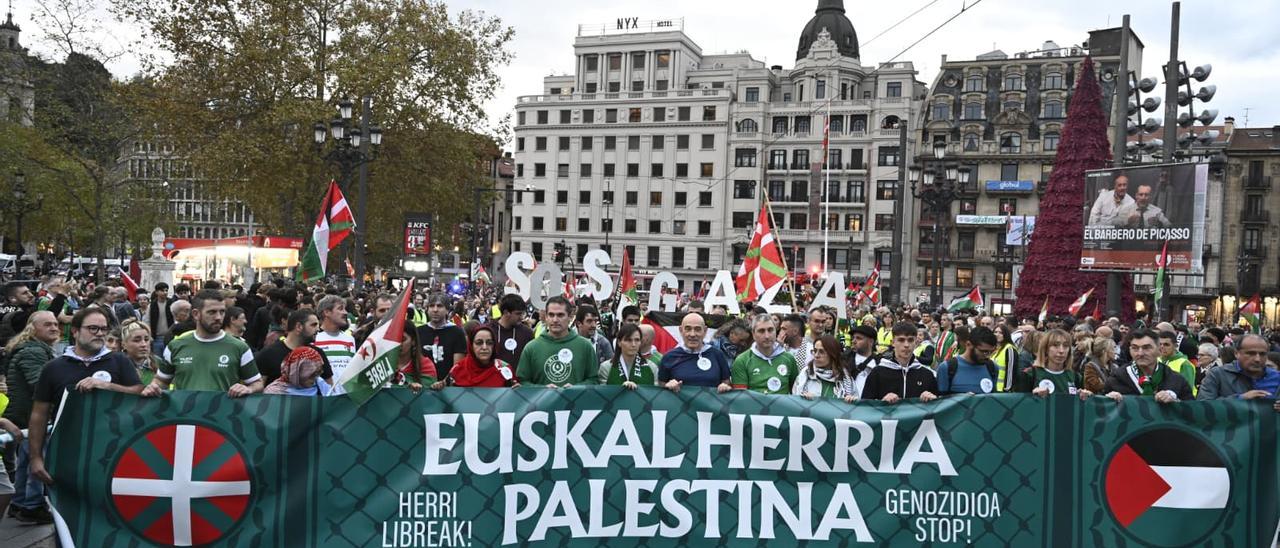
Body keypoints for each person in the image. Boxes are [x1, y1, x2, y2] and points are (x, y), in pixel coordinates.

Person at [26, 308, 144, 491]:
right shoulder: (53, 367)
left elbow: (138, 393)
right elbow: (39, 415)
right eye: (93, 328)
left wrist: (108, 387)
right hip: (68, 454)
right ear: (75, 331)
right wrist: (35, 458)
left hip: (114, 453)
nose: (100, 334)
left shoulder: (119, 361)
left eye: (103, 329)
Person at [144, 289, 263, 397]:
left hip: (222, 413)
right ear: (196, 314)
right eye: (212, 312)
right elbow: (162, 380)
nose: (218, 317)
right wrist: (153, 387)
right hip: (186, 413)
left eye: (222, 312)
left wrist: (248, 389)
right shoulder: (176, 345)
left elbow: (257, 383)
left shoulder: (239, 347)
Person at [3, 311, 60, 524]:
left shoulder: (34, 348)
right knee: (37, 459)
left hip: (26, 413)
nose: (54, 328)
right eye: (48, 324)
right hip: (31, 415)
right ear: (32, 328)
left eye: (56, 324)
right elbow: (40, 385)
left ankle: (20, 503)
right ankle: (32, 505)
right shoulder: (33, 351)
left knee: (27, 459)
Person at [515, 296, 599, 387]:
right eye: (551, 315)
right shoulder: (531, 348)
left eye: (560, 315)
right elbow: (522, 382)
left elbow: (593, 380)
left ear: (570, 317)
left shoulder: (585, 346)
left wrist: (576, 389)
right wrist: (543, 389)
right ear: (546, 317)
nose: (555, 320)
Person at [1103, 329, 1192, 402]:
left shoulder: (1175, 380)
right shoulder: (1117, 378)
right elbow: (1101, 410)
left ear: (1159, 350)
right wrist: (1108, 400)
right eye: (1135, 348)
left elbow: (1191, 409)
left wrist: (1175, 402)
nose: (1140, 353)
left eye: (1146, 348)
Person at [859, 322, 939, 404]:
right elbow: (865, 406)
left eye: (910, 340)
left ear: (915, 342)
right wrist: (882, 402)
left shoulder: (927, 375)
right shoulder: (877, 373)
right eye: (901, 340)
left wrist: (932, 400)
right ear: (893, 342)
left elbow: (938, 407)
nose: (906, 345)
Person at [254, 309, 331, 385]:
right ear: (299, 326)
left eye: (318, 325)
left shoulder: (317, 354)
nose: (318, 329)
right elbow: (258, 387)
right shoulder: (268, 354)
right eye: (313, 325)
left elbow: (330, 387)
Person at [659, 312, 731, 393]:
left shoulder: (717, 355)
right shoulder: (669, 357)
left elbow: (726, 382)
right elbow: (660, 386)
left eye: (697, 329)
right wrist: (668, 385)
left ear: (705, 331)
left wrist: (724, 387)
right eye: (688, 329)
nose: (692, 334)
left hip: (710, 401)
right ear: (681, 330)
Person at [1012, 328, 1093, 399]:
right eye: (1055, 345)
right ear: (1045, 348)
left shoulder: (1076, 377)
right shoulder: (1029, 375)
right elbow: (1017, 404)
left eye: (1065, 346)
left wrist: (1086, 396)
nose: (1061, 351)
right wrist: (1031, 396)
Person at [1198, 334, 1280, 402]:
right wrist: (1240, 399)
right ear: (1236, 353)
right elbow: (1203, 406)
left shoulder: (1276, 377)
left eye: (1262, 354)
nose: (1257, 359)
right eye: (1251, 353)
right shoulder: (1217, 375)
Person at [731, 314, 798, 395]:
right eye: (761, 331)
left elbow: (796, 392)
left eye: (770, 330)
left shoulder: (789, 359)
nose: (767, 336)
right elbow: (740, 397)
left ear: (776, 331)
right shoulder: (742, 361)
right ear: (753, 334)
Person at [433, 325, 518, 388]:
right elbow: (445, 394)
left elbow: (513, 399)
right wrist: (438, 386)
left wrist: (518, 391)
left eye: (489, 343)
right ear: (471, 345)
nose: (484, 347)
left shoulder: (504, 369)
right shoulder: (458, 369)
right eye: (479, 343)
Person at [936, 326, 1000, 395]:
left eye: (991, 352)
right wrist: (962, 398)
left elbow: (994, 398)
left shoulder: (992, 368)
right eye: (984, 351)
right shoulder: (947, 367)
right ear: (968, 345)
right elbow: (941, 399)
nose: (988, 356)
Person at [793, 334, 856, 402]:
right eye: (815, 351)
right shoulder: (805, 374)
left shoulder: (846, 378)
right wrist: (803, 399)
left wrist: (851, 401)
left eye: (821, 352)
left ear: (832, 354)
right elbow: (795, 401)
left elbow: (856, 402)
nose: (816, 355)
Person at [418, 294, 467, 375]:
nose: (435, 310)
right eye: (431, 306)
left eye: (439, 306)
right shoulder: (419, 332)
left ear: (447, 310)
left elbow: (457, 367)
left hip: (447, 381)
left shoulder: (457, 333)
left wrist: (445, 381)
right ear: (427, 309)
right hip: (423, 381)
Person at [600, 323, 659, 388]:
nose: (633, 344)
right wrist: (621, 389)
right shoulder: (606, 368)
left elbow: (655, 392)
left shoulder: (652, 367)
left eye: (637, 340)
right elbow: (602, 392)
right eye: (628, 340)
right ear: (619, 342)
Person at [314, 295, 356, 384]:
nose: (345, 313)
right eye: (340, 309)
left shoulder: (350, 339)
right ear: (327, 312)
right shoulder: (314, 339)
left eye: (345, 309)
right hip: (324, 392)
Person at [263, 346, 331, 396]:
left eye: (318, 373)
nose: (315, 378)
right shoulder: (274, 392)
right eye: (311, 375)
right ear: (296, 373)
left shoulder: (320, 384)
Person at [393, 317, 434, 391]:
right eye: (395, 339)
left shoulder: (425, 365)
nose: (398, 344)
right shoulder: (382, 364)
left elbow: (430, 393)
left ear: (413, 341)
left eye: (403, 339)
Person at [119, 319, 166, 386]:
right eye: (137, 340)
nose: (144, 344)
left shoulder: (160, 363)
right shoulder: (117, 366)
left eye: (146, 339)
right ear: (124, 345)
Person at [1156, 331, 1198, 395]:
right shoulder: (1156, 360)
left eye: (1166, 345)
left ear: (1175, 346)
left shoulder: (1184, 364)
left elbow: (1188, 389)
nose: (1162, 347)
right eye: (1160, 344)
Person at [844, 324, 878, 396]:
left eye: (859, 338)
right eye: (853, 338)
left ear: (871, 342)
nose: (853, 341)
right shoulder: (844, 360)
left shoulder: (879, 363)